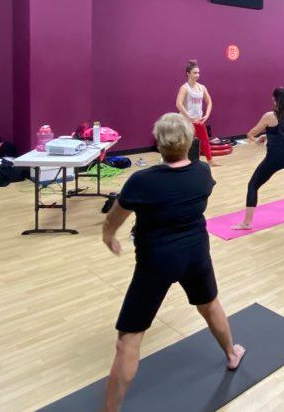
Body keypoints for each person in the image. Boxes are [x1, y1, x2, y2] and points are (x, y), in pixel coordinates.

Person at [101, 114, 244, 411]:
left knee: (128, 339)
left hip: (157, 261)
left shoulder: (142, 181)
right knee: (209, 305)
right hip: (195, 254)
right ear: (189, 141)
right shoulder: (203, 172)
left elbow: (115, 217)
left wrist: (108, 236)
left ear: (158, 143)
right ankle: (232, 353)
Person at [231, 88, 284, 230]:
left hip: (274, 158)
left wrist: (257, 139)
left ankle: (247, 223)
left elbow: (250, 133)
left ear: (273, 99)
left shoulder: (269, 116)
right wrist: (267, 136)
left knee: (253, 185)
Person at [175, 59, 218, 167]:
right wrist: (188, 116)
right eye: (194, 73)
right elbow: (178, 104)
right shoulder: (184, 88)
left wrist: (207, 115)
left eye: (198, 72)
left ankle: (210, 161)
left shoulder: (202, 87)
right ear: (188, 74)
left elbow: (209, 102)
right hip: (186, 121)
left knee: (205, 140)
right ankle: (178, 162)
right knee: (183, 142)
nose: (197, 75)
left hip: (198, 120)